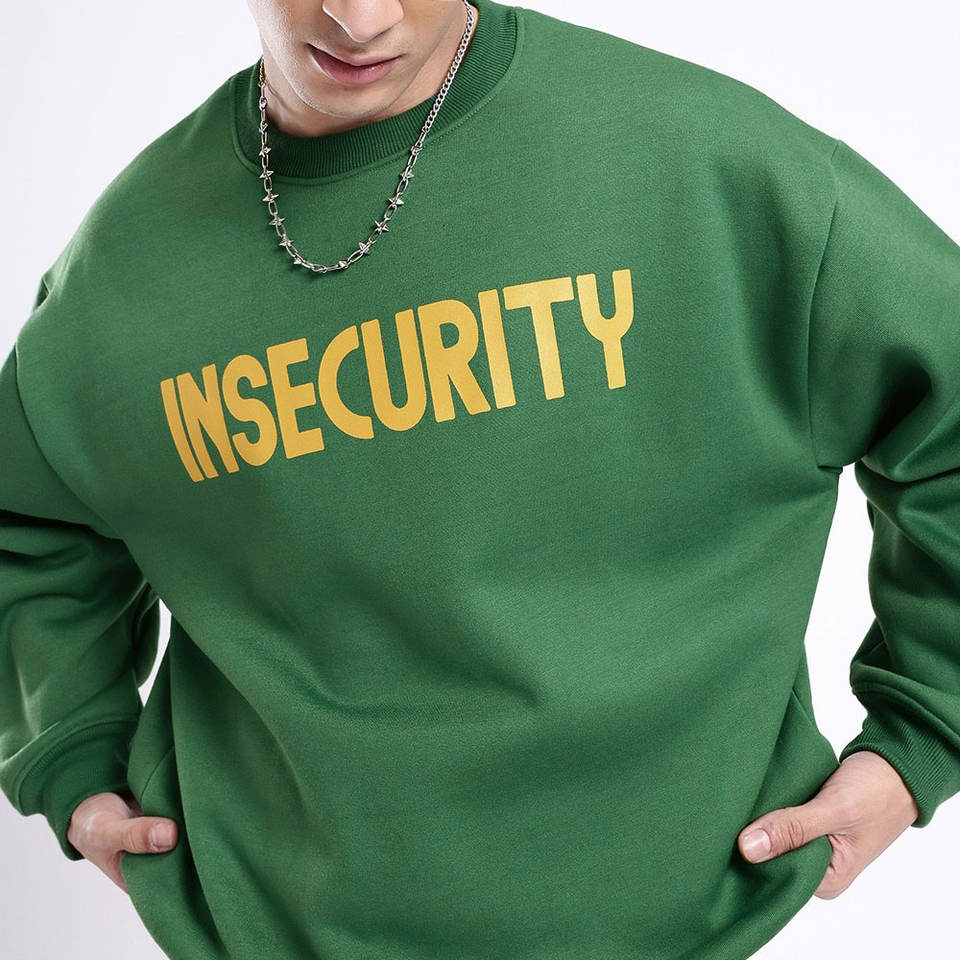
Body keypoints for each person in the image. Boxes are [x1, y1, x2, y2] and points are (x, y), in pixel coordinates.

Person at [2, 0, 958, 957]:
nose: (358, 17)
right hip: (276, 926)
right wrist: (71, 756)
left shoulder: (708, 164)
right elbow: (27, 525)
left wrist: (923, 735)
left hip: (691, 916)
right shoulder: (126, 267)